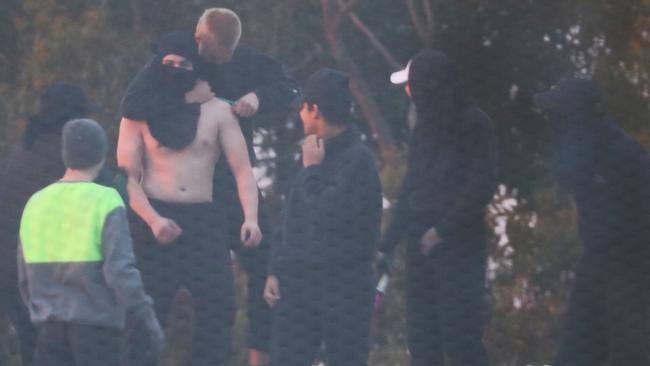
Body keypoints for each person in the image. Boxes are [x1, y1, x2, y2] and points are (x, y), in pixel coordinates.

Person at [118, 32, 262, 366]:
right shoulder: (137, 114)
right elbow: (127, 177)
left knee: (219, 306)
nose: (177, 70)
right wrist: (153, 220)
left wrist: (250, 217)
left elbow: (242, 170)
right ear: (158, 64)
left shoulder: (216, 111)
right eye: (170, 64)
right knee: (143, 313)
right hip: (154, 219)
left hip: (202, 220)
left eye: (185, 65)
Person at [378, 50, 497, 366]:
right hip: (420, 251)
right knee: (422, 343)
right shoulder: (423, 131)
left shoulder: (473, 123)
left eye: (411, 84)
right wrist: (385, 245)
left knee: (461, 343)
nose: (407, 91)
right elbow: (410, 191)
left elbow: (482, 185)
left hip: (460, 249)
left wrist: (442, 230)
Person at [194, 8, 299, 364]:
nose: (216, 60)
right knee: (207, 286)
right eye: (211, 51)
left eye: (223, 55)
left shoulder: (248, 62)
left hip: (234, 182)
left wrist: (258, 97)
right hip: (191, 186)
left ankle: (259, 355)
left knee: (266, 263)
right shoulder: (179, 57)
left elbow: (287, 87)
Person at [17, 119, 164, 366]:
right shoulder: (106, 200)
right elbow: (120, 272)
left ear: (66, 155)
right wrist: (147, 317)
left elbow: (23, 279)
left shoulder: (35, 203)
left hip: (48, 331)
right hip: (97, 331)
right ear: (100, 155)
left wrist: (40, 311)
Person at [263, 68, 383, 366]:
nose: (301, 116)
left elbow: (328, 214)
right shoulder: (310, 154)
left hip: (344, 288)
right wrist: (275, 268)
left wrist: (312, 171)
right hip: (300, 285)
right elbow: (291, 218)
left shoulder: (358, 160)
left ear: (314, 109)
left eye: (303, 108)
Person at [534, 78, 650, 366]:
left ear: (576, 115)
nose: (552, 122)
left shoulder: (622, 153)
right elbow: (561, 171)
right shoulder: (584, 148)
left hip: (630, 264)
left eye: (557, 115)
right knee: (576, 350)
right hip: (597, 260)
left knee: (628, 352)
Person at [0, 81, 102, 366]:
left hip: (14, 275)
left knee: (31, 350)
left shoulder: (21, 151)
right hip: (51, 279)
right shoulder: (72, 157)